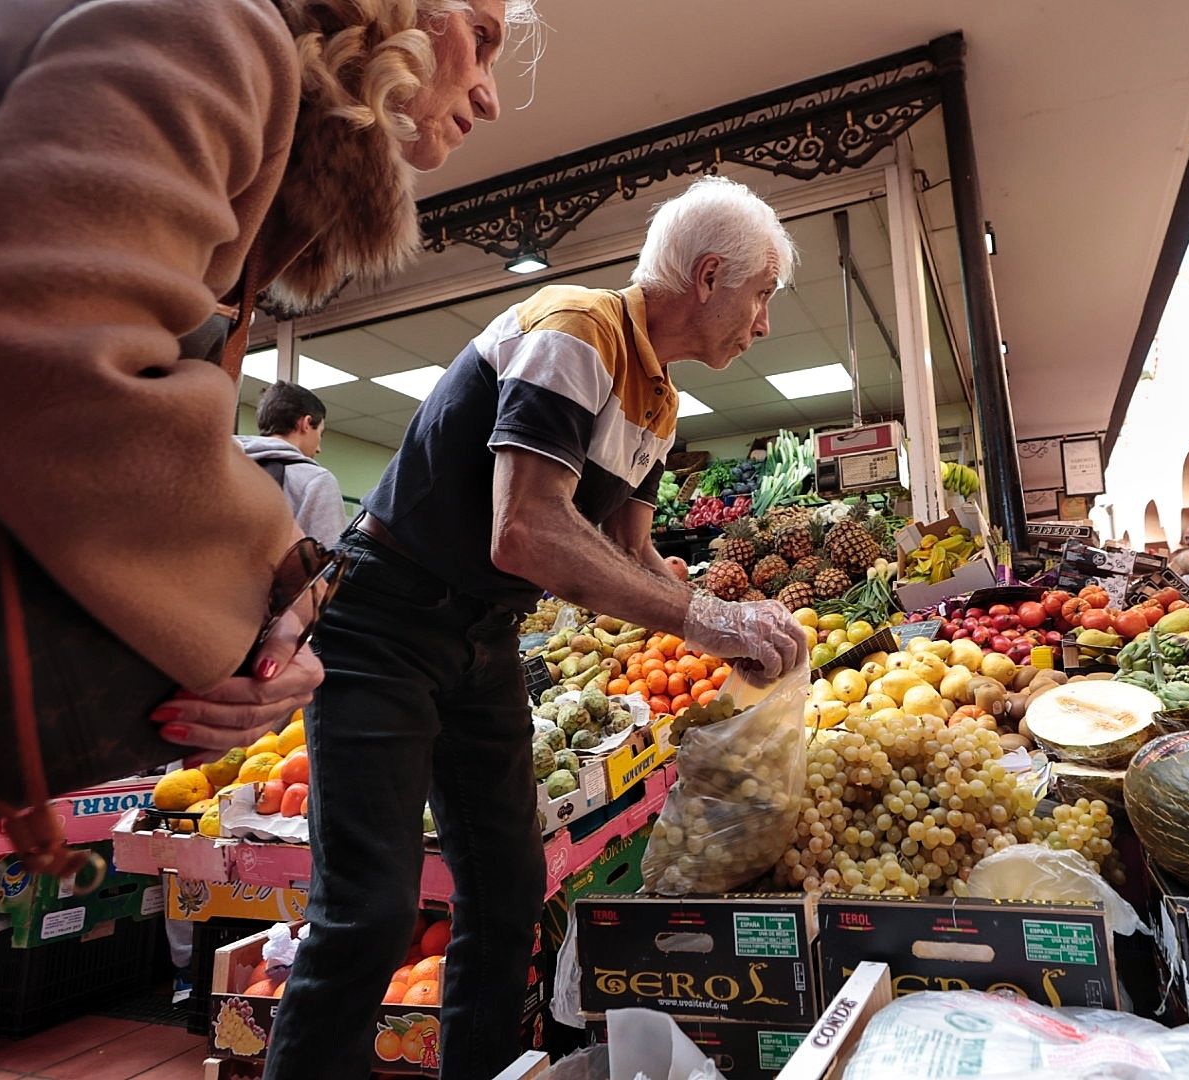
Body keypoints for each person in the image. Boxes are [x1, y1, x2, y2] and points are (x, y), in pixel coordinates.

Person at [264, 176, 809, 1079]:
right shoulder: (577, 328)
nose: (763, 323)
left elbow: (629, 556)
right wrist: (704, 618)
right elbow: (524, 530)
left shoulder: (660, 402)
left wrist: (717, 602)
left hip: (483, 638)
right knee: (367, 912)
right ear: (711, 275)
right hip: (384, 621)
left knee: (510, 892)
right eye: (760, 297)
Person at [0, 0, 531, 855]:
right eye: (482, 39)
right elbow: (43, 356)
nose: (491, 97)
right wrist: (273, 589)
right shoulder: (216, 23)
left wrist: (259, 639)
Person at [238, 382, 349, 544]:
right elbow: (328, 559)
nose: (318, 449)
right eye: (320, 434)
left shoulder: (225, 462)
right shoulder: (316, 479)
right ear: (305, 423)